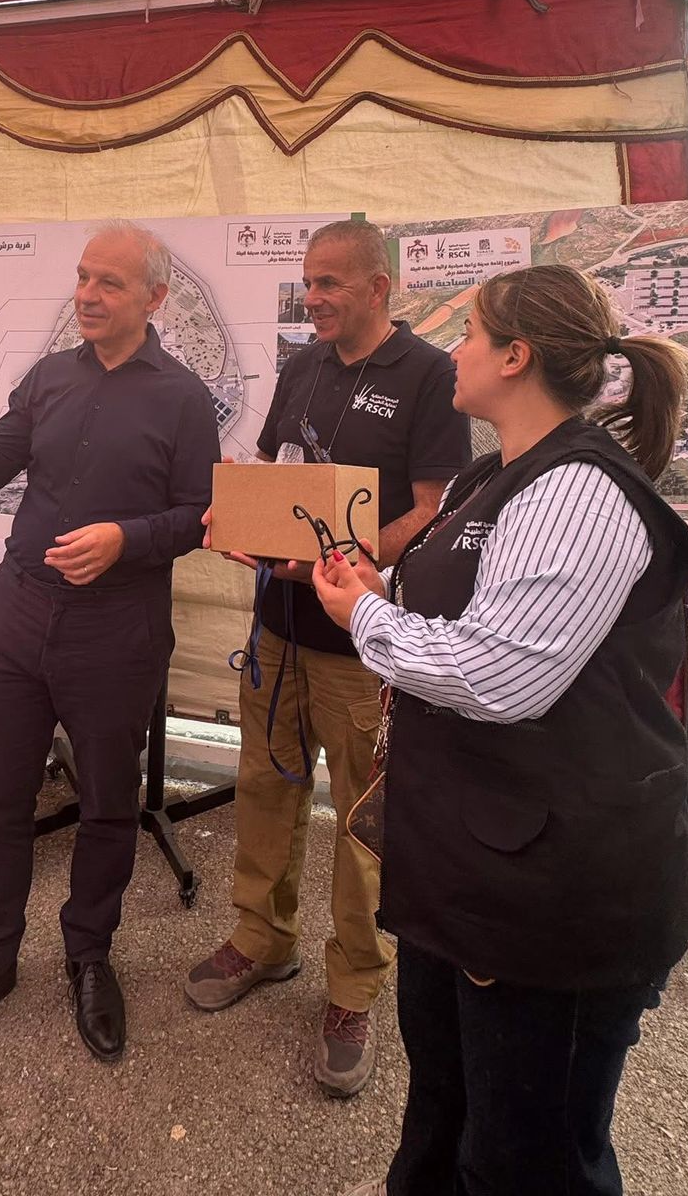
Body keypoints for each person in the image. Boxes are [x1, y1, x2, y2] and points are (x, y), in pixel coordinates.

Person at [311, 263, 688, 1196]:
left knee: (531, 1158)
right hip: (473, 872)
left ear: (517, 356)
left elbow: (500, 675)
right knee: (444, 1114)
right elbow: (458, 606)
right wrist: (377, 586)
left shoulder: (580, 493)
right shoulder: (494, 474)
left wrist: (364, 620)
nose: (456, 350)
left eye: (472, 334)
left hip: (552, 901)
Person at [0, 220, 219, 1071]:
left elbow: (199, 518)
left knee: (107, 804)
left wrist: (126, 540)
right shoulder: (50, 377)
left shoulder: (183, 399)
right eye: (83, 277)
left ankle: (88, 956)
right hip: (18, 613)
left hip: (117, 628)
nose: (87, 295)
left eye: (109, 283)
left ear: (154, 298)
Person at [186, 219, 471, 1097]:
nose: (311, 298)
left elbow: (434, 506)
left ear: (379, 286)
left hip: (362, 643)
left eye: (329, 284)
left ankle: (353, 988)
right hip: (277, 629)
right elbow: (275, 473)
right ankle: (262, 940)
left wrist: (351, 563)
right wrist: (240, 518)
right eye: (308, 282)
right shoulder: (303, 365)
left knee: (358, 820)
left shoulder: (429, 374)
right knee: (265, 789)